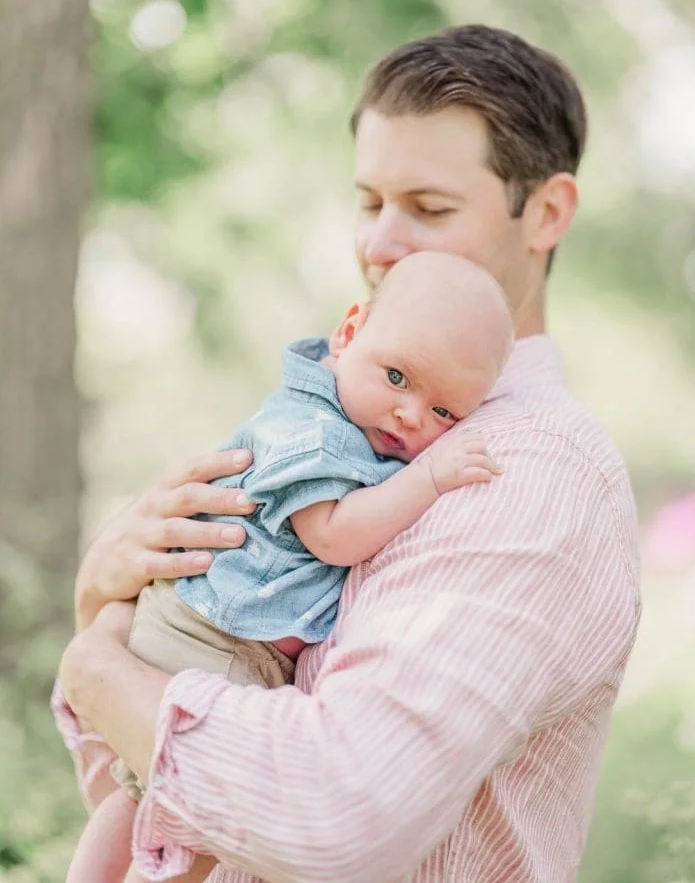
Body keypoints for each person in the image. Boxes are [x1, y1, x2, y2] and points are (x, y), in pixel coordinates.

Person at [54, 24, 641, 883]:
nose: (379, 244)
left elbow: (335, 817)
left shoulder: (531, 470)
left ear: (546, 213)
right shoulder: (348, 425)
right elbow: (153, 809)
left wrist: (101, 671)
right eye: (369, 203)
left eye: (430, 209)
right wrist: (113, 608)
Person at [64, 251, 513, 883]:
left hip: (222, 634)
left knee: (152, 804)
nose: (411, 415)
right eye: (397, 377)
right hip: (211, 635)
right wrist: (430, 478)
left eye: (445, 413)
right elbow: (331, 535)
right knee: (178, 817)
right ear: (349, 333)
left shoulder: (357, 423)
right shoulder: (314, 430)